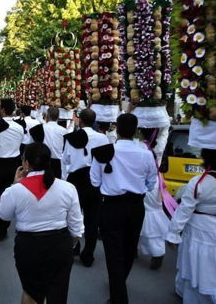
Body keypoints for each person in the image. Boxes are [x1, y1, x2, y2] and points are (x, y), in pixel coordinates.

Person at [0, 143, 84, 304]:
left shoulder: (15, 190)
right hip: (60, 245)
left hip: (29, 246)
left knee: (31, 292)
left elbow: (3, 215)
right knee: (58, 293)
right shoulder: (67, 187)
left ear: (26, 164)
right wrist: (70, 244)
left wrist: (14, 184)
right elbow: (76, 225)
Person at [90, 113, 157, 304]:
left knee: (114, 253)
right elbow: (151, 183)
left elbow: (95, 181)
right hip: (136, 207)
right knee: (128, 251)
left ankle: (118, 295)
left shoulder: (103, 151)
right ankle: (119, 293)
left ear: (116, 129)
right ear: (135, 131)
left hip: (112, 207)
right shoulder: (146, 154)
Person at [165, 148, 216, 303]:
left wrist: (173, 234)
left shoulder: (198, 182)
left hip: (197, 231)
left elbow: (184, 211)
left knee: (195, 266)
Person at [61, 108, 109, 266]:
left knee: (73, 215)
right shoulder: (103, 138)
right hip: (94, 179)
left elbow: (66, 159)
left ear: (80, 121)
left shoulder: (71, 138)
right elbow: (106, 161)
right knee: (92, 218)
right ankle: (88, 254)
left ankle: (74, 246)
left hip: (76, 178)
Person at [0, 98, 24, 241]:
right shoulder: (20, 127)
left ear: (1, 110)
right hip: (13, 166)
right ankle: (3, 228)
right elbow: (22, 144)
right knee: (9, 197)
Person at [137, 127, 170, 270]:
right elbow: (165, 133)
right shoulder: (159, 146)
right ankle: (150, 250)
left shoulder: (138, 145)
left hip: (142, 181)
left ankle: (156, 252)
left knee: (145, 213)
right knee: (148, 212)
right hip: (155, 182)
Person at [29, 106, 68, 179]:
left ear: (47, 116)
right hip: (58, 163)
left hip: (41, 162)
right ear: (58, 117)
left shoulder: (37, 129)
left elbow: (31, 145)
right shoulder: (64, 131)